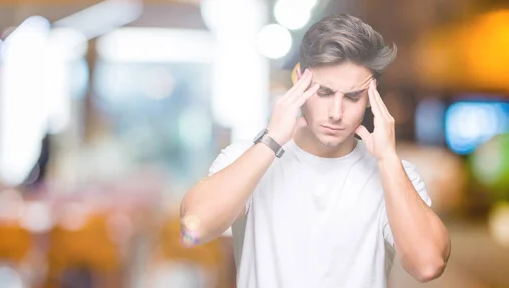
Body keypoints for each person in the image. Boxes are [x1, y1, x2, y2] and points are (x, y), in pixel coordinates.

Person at [180, 13, 451, 288]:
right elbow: (195, 227)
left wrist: (388, 159)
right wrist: (272, 140)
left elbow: (428, 265)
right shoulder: (246, 159)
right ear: (299, 79)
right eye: (323, 92)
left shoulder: (394, 175)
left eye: (352, 96)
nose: (336, 113)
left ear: (372, 95)